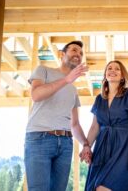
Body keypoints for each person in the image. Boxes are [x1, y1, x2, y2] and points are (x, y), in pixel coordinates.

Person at [24, 40, 90, 191]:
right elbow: (36, 95)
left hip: (66, 143)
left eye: (81, 53)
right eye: (74, 50)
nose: (78, 55)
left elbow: (74, 124)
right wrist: (66, 80)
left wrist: (86, 144)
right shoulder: (43, 71)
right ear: (62, 55)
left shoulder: (73, 90)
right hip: (39, 139)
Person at [80, 60, 128, 191]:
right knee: (96, 185)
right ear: (105, 75)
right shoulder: (99, 99)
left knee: (107, 186)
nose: (113, 70)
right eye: (109, 68)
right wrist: (87, 146)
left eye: (117, 69)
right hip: (101, 148)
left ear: (122, 77)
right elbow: (94, 127)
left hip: (123, 147)